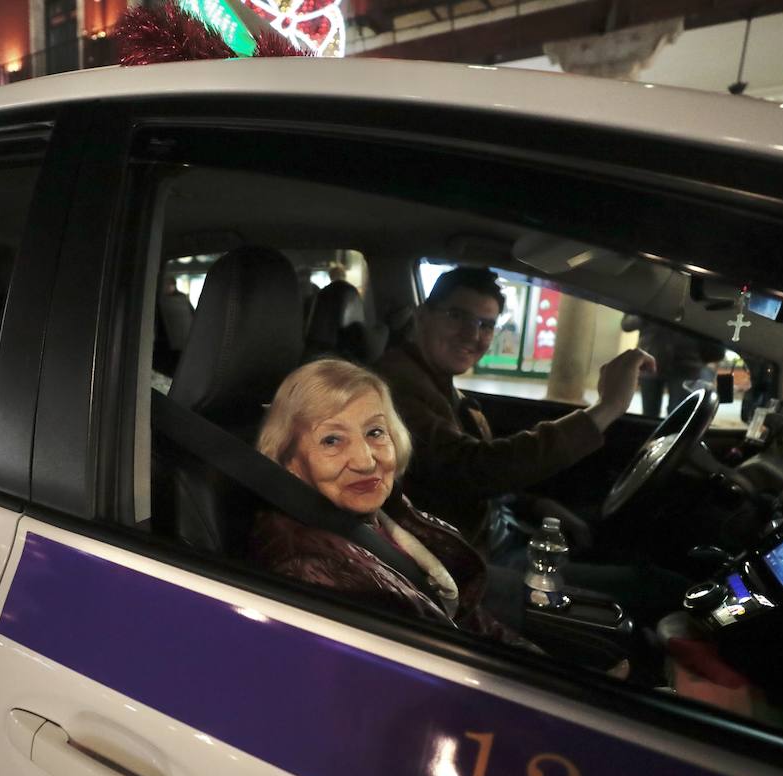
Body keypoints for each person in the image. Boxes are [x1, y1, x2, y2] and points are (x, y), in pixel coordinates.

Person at [376, 266, 653, 551]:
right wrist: (607, 409)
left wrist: (532, 504)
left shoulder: (434, 379)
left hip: (487, 530)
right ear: (422, 316)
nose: (471, 335)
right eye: (457, 316)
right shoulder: (392, 386)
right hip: (455, 562)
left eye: (486, 325)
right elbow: (470, 469)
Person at [249, 358, 523, 641]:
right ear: (289, 460)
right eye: (332, 440)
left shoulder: (383, 511)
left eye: (375, 432)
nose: (366, 462)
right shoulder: (310, 568)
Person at [621, 314, 727, 418]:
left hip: (687, 363)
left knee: (678, 415)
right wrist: (648, 311)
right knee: (649, 414)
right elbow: (626, 324)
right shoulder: (646, 297)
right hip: (651, 360)